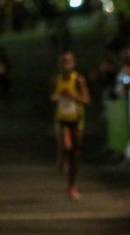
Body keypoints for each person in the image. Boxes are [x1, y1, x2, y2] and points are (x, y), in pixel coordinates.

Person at [50, 51, 90, 200]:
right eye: (63, 63)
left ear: (73, 64)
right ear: (59, 65)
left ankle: (72, 187)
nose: (65, 66)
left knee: (74, 154)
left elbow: (86, 100)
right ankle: (62, 156)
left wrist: (73, 96)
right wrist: (57, 98)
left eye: (68, 62)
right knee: (66, 146)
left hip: (76, 119)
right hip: (62, 119)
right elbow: (52, 98)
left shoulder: (78, 80)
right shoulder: (55, 80)